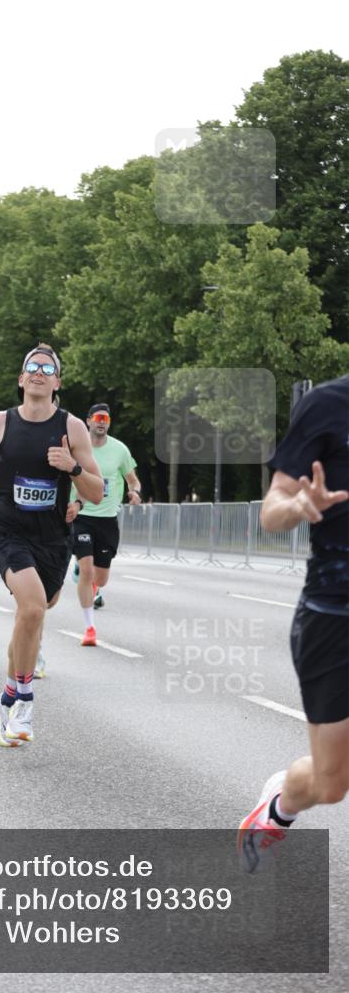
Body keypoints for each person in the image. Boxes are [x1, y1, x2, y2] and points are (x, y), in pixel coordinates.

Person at [238, 374, 349, 873]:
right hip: (334, 614)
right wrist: (300, 506)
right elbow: (271, 511)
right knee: (330, 784)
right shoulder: (327, 404)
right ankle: (279, 807)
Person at [0, 343, 103, 746]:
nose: (39, 372)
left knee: (37, 612)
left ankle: (6, 697)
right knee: (30, 608)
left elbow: (96, 492)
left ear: (57, 381)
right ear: (22, 378)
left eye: (48, 368)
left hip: (52, 538)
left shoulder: (73, 427)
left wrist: (73, 467)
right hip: (8, 530)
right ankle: (24, 702)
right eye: (33, 366)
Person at [67, 403, 141, 646]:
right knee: (87, 572)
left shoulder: (119, 449)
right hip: (82, 515)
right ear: (88, 421)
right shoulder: (77, 447)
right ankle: (89, 628)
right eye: (98, 418)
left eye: (106, 419)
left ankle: (88, 579)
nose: (102, 422)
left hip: (108, 519)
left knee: (102, 577)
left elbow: (132, 480)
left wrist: (134, 492)